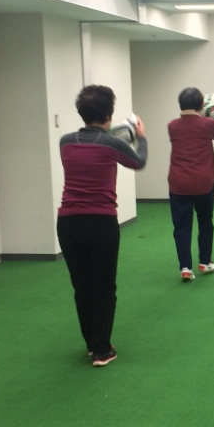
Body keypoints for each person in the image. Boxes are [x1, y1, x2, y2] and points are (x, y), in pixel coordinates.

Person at [57, 85, 148, 367]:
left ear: (81, 112)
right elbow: (139, 161)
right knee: (104, 286)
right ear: (109, 114)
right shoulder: (112, 144)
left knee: (82, 286)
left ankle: (91, 344)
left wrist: (114, 132)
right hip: (101, 222)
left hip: (68, 223)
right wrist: (140, 137)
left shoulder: (65, 142)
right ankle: (102, 350)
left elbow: (92, 144)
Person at [168, 87, 214, 282]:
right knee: (205, 223)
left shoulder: (172, 126)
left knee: (181, 227)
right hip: (204, 183)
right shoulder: (207, 124)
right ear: (202, 105)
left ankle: (185, 268)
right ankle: (204, 262)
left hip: (178, 184)